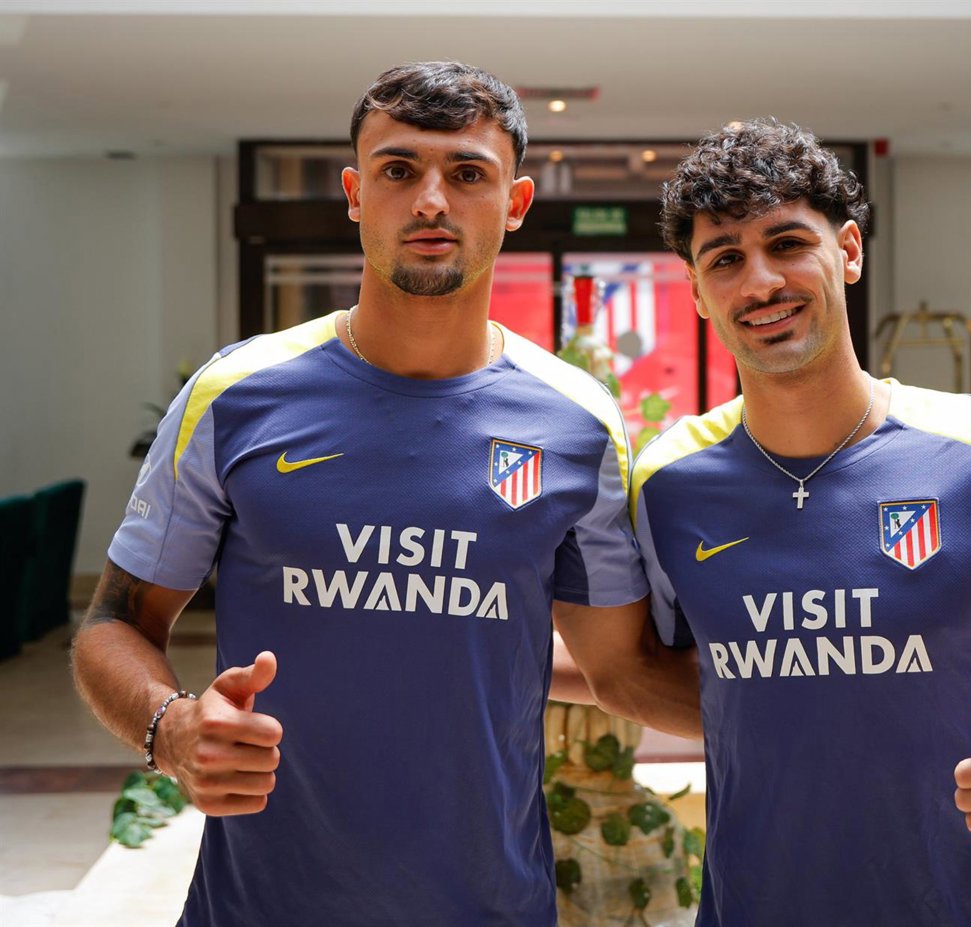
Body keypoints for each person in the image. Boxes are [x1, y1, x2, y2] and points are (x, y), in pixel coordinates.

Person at [72, 61, 697, 927]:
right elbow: (112, 623)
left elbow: (622, 670)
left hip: (490, 907)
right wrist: (171, 726)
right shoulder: (237, 393)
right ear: (355, 194)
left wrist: (841, 709)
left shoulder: (577, 422)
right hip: (259, 908)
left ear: (515, 202)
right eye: (399, 169)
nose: (432, 201)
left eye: (467, 173)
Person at [630, 118, 971, 926]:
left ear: (849, 250)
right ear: (698, 293)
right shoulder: (666, 485)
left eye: (787, 243)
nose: (760, 281)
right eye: (725, 258)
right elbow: (640, 668)